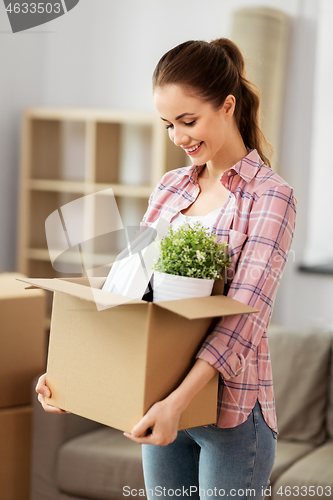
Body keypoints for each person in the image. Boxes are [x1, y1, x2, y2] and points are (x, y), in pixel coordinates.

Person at [36, 38, 297, 499]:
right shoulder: (171, 186)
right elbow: (129, 293)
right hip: (158, 398)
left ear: (227, 105)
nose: (178, 137)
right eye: (168, 124)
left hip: (230, 413)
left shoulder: (271, 196)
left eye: (188, 120)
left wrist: (179, 402)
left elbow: (245, 318)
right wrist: (72, 376)